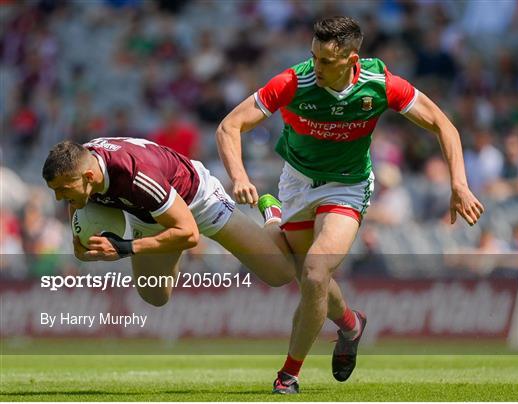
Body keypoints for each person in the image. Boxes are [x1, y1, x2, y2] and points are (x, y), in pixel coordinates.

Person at [216, 16, 484, 394]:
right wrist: (240, 177)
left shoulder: (380, 84)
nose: (316, 67)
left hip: (348, 186)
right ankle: (350, 324)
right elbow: (230, 126)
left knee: (313, 273)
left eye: (326, 61)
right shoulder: (294, 81)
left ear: (351, 58)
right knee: (300, 274)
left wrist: (459, 184)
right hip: (297, 185)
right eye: (313, 56)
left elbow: (444, 124)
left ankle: (288, 375)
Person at [42, 137, 295, 307]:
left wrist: (124, 247)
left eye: (63, 189)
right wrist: (85, 246)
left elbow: (191, 235)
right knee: (154, 295)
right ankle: (169, 240)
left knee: (280, 274)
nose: (58, 198)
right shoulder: (80, 165)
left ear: (89, 176)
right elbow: (76, 201)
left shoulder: (135, 175)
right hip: (150, 212)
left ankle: (272, 216)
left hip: (198, 201)